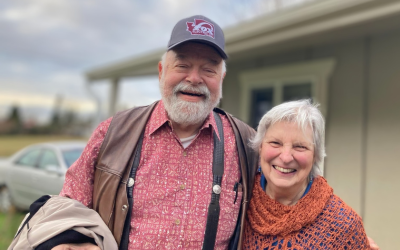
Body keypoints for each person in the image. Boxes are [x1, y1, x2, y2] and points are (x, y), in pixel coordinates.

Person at [50, 15, 258, 250]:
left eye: (209, 69)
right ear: (161, 71)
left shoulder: (245, 143)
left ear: (221, 79)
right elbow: (69, 205)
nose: (194, 78)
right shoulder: (113, 132)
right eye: (182, 65)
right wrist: (76, 242)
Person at [242, 100, 371, 249]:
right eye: (275, 143)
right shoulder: (238, 199)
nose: (286, 157)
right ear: (260, 146)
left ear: (315, 155)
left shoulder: (343, 226)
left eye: (300, 146)